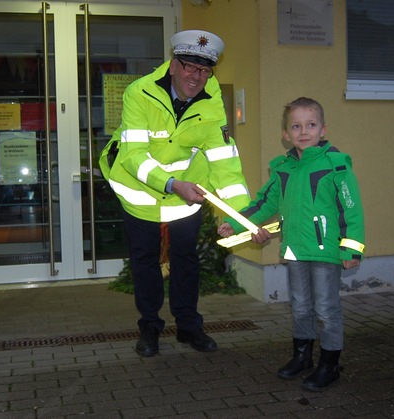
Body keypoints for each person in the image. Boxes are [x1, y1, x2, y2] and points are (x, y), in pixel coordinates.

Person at [99, 30, 251, 357]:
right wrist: (171, 184)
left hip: (186, 196)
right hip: (141, 191)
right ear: (173, 65)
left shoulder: (212, 104)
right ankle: (150, 328)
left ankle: (188, 327)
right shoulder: (139, 94)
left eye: (204, 70)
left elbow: (225, 165)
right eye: (189, 67)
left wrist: (247, 221)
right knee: (145, 261)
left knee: (186, 260)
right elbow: (134, 155)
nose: (196, 77)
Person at [218, 97, 365, 391]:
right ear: (286, 134)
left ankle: (330, 364)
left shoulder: (335, 165)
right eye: (296, 126)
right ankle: (302, 357)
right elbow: (261, 203)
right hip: (295, 250)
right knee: (299, 306)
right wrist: (234, 223)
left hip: (326, 252)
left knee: (326, 308)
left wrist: (351, 248)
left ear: (323, 129)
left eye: (311, 125)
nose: (304, 131)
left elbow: (351, 209)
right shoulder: (283, 169)